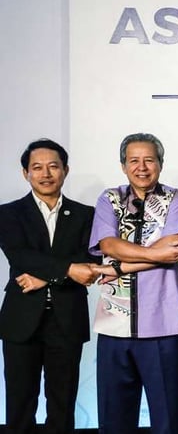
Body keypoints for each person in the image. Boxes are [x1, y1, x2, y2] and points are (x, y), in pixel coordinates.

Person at [90, 133, 178, 434]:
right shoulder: (109, 198)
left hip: (163, 324)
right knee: (114, 420)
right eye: (133, 160)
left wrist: (118, 267)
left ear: (161, 164)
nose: (142, 167)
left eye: (149, 160)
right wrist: (122, 257)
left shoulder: (176, 199)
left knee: (168, 419)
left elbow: (173, 249)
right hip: (115, 323)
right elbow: (109, 244)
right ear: (123, 165)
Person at [0, 139, 98, 434]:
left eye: (53, 166)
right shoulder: (8, 214)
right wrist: (68, 269)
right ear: (25, 173)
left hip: (67, 318)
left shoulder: (86, 214)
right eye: (37, 167)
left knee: (62, 402)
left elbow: (89, 259)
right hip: (21, 320)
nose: (46, 174)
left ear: (65, 171)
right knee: (19, 402)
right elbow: (20, 254)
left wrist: (45, 277)